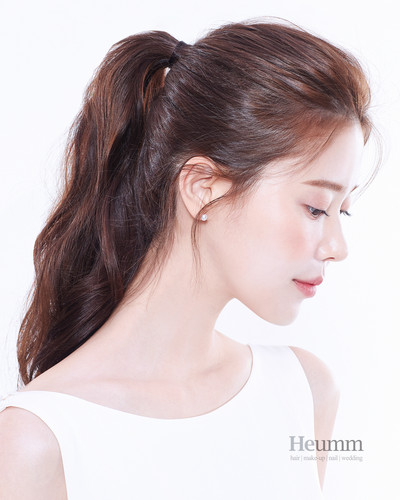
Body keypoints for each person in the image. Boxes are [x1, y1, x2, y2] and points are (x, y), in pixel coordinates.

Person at [0, 17, 379, 499]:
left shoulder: (305, 391)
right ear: (203, 188)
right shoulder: (39, 440)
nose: (337, 247)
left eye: (343, 211)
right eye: (316, 208)